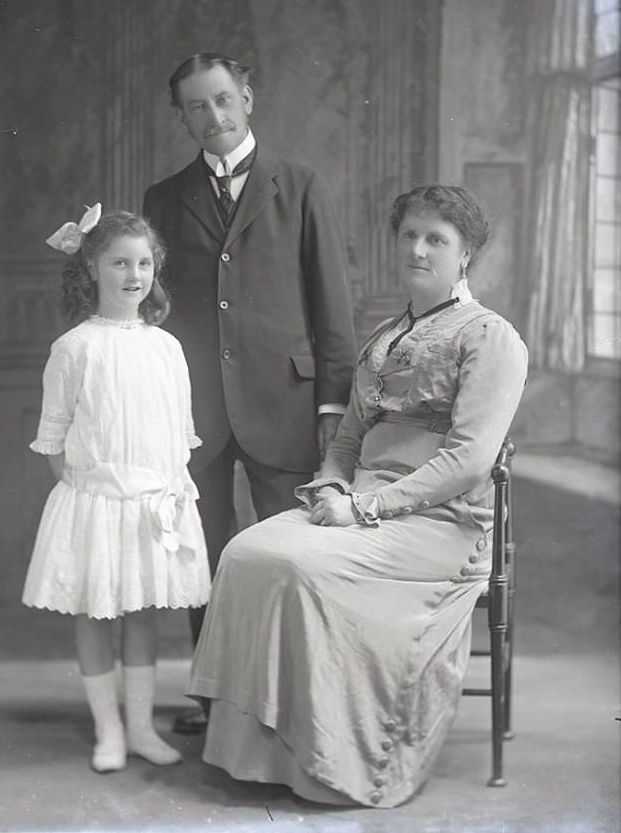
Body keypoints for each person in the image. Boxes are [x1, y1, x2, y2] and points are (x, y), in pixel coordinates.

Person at [187, 185, 529, 808]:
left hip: (440, 524)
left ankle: (329, 759)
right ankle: (265, 752)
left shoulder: (490, 337)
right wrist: (334, 487)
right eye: (409, 236)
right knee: (243, 551)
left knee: (297, 565)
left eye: (436, 240)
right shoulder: (382, 338)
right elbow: (347, 438)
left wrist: (367, 508)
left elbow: (469, 460)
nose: (418, 250)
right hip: (360, 504)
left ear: (466, 256)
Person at [143, 53, 357, 733]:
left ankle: (288, 698)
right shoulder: (163, 198)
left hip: (286, 404)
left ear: (248, 99)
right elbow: (154, 309)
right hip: (195, 410)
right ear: (181, 116)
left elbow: (333, 305)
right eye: (196, 107)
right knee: (201, 554)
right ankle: (218, 697)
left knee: (286, 555)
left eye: (223, 100)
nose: (213, 117)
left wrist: (331, 407)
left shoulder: (300, 184)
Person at [22, 204, 210, 773]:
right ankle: (108, 732)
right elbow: (53, 437)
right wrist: (88, 499)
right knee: (97, 613)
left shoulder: (165, 346)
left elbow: (179, 432)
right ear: (92, 270)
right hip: (96, 504)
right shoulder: (75, 347)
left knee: (142, 614)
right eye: (120, 263)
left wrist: (172, 492)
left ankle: (140, 728)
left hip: (155, 504)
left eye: (145, 263)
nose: (134, 276)